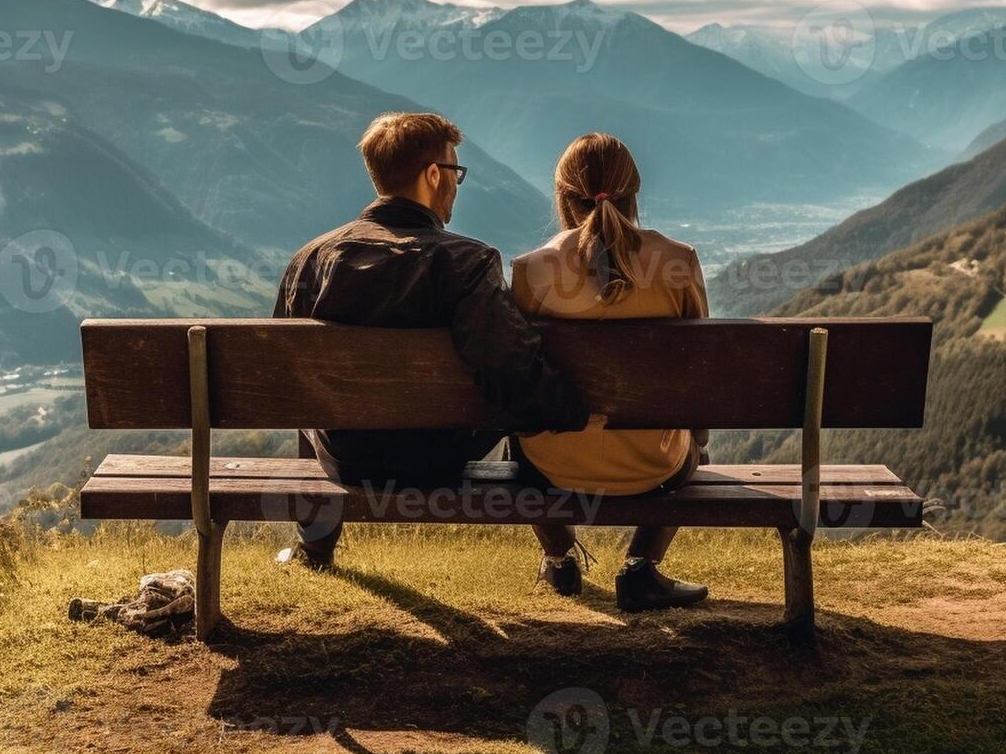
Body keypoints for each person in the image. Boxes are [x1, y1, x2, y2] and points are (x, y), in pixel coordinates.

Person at [272, 111, 590, 569]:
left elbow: (287, 374)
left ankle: (315, 548)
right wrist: (574, 410)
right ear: (434, 175)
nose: (457, 185)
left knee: (316, 402)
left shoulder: (311, 260)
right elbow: (511, 372)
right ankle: (560, 556)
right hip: (438, 459)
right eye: (455, 172)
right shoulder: (467, 262)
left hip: (345, 459)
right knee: (522, 402)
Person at [510, 132, 711, 612]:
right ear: (633, 194)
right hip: (654, 466)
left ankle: (559, 562)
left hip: (551, 465)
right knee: (692, 446)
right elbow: (702, 370)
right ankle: (641, 568)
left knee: (519, 435)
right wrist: (697, 440)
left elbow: (515, 379)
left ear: (563, 198)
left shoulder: (530, 270)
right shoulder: (678, 262)